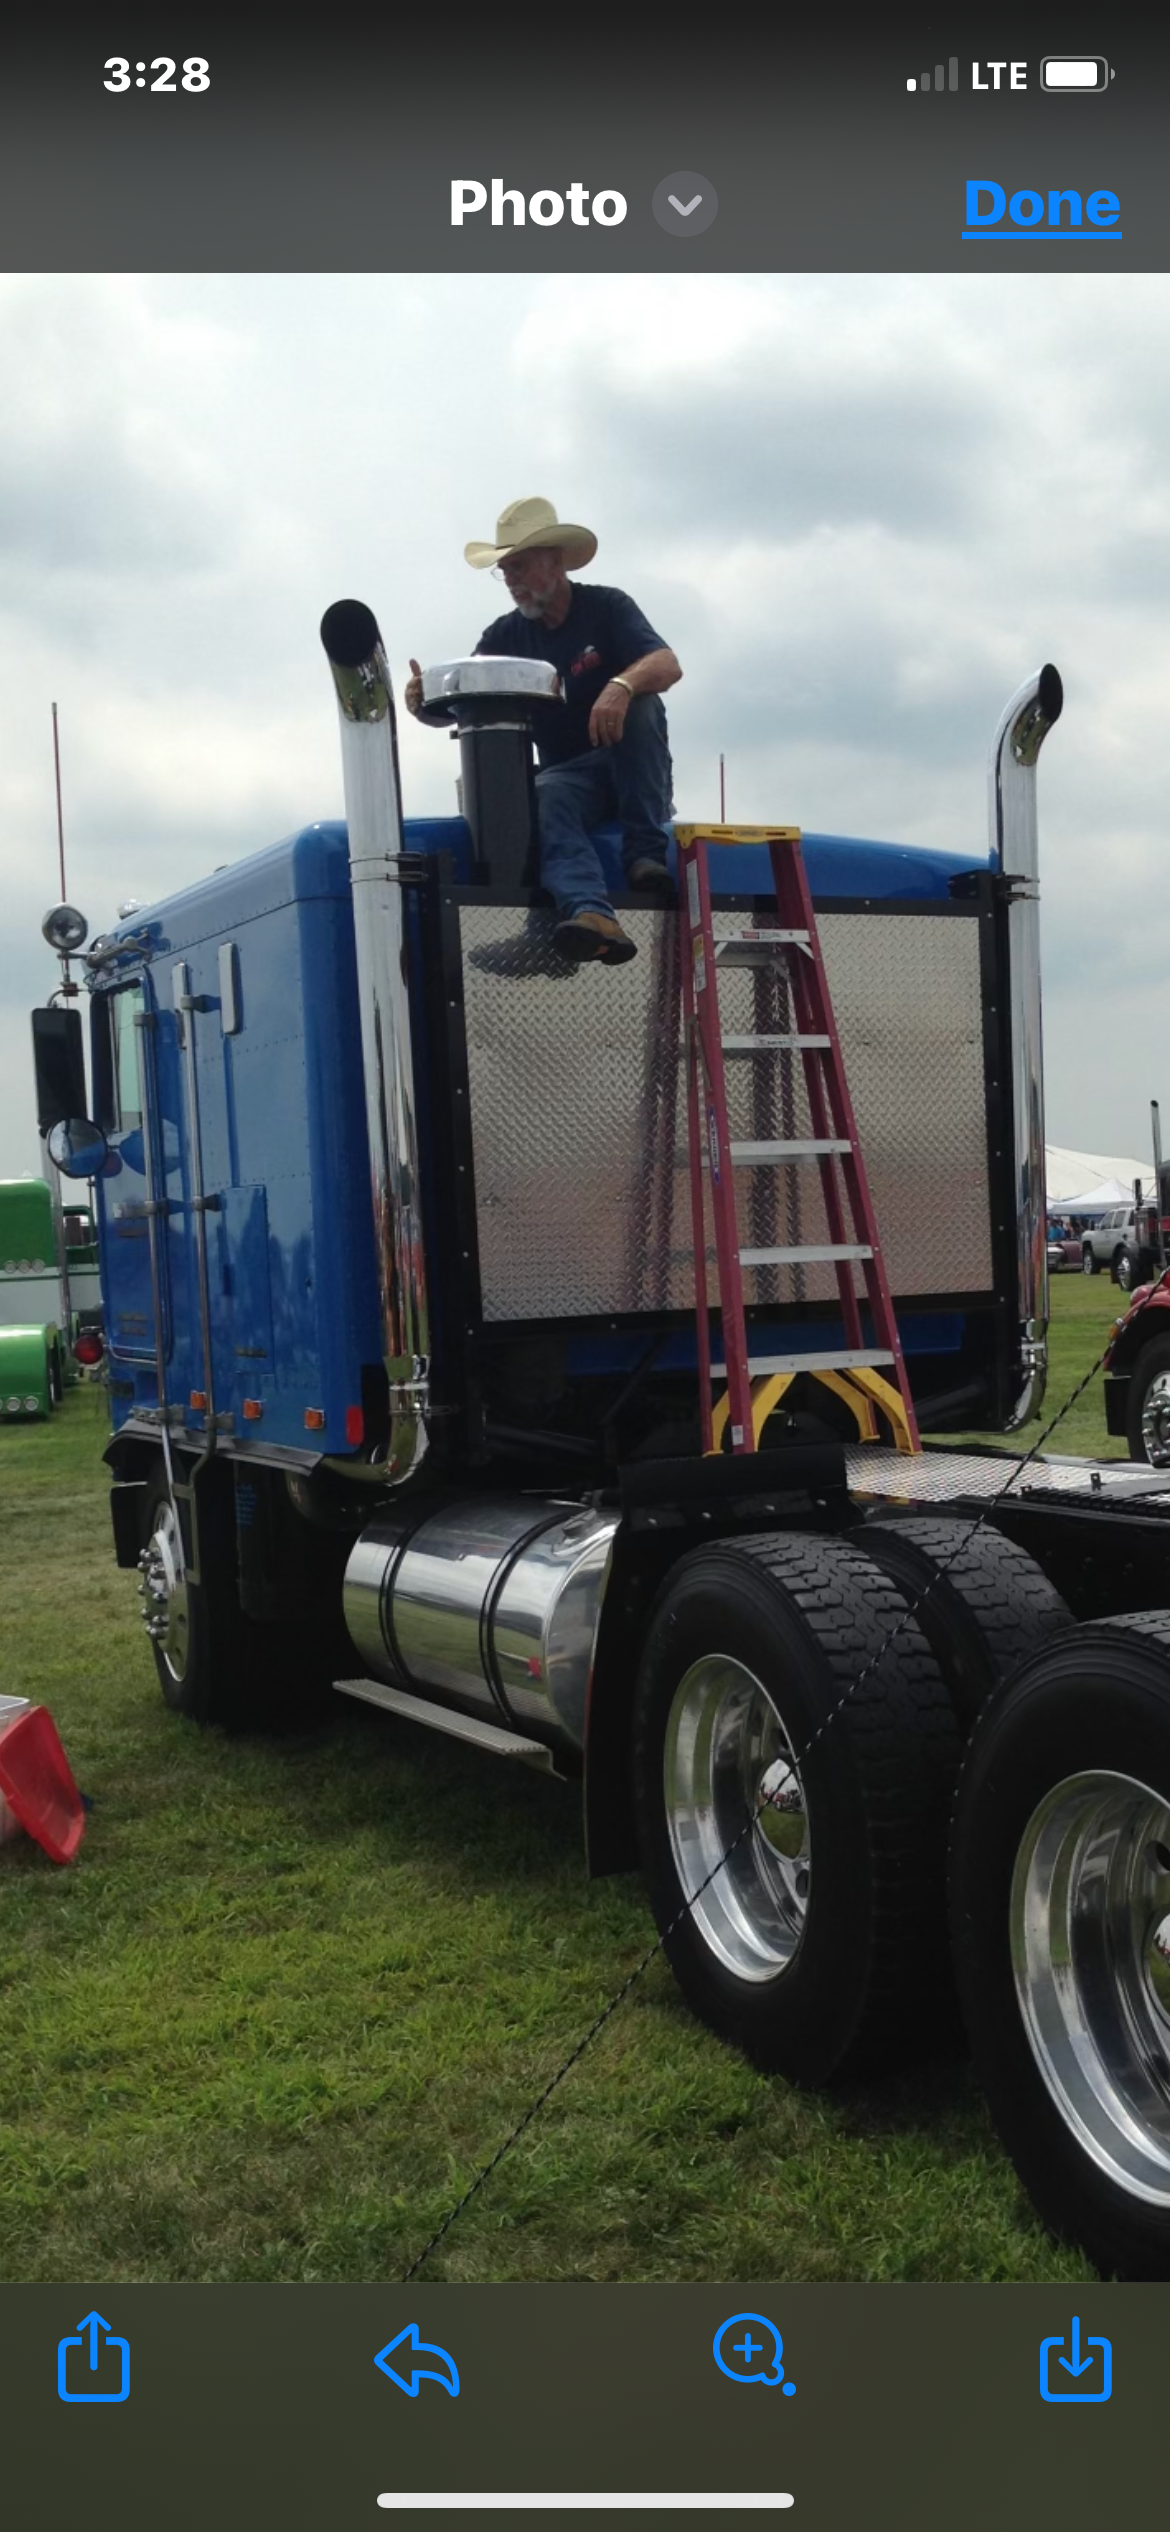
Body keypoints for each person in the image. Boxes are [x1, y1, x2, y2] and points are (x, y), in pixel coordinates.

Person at [404, 497, 682, 965]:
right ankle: (588, 919)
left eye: (520, 566)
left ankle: (644, 855)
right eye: (504, 570)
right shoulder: (504, 638)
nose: (511, 580)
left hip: (631, 768)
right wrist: (422, 703)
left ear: (555, 561)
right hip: (568, 780)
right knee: (540, 794)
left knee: (642, 706)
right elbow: (470, 706)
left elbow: (667, 665)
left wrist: (621, 684)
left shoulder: (608, 606)